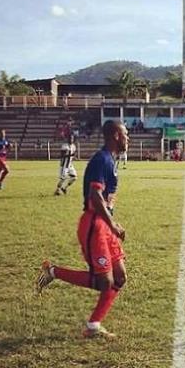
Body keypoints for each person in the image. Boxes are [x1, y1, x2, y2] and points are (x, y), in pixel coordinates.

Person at [37, 120, 129, 339]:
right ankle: (53, 271)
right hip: (94, 226)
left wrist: (112, 224)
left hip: (104, 226)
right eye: (126, 134)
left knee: (119, 277)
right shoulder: (102, 159)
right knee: (103, 282)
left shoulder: (110, 160)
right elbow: (95, 196)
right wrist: (112, 224)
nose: (129, 138)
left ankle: (93, 326)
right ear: (116, 135)